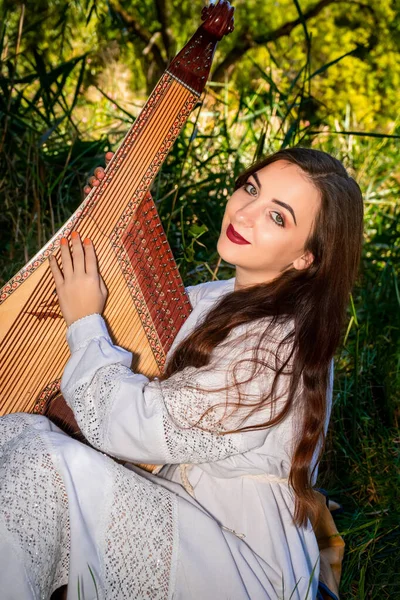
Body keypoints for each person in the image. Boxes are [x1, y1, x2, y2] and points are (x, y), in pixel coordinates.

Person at [0, 147, 364, 600]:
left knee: (42, 459)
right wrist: (112, 226)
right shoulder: (227, 295)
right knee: (15, 432)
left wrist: (84, 326)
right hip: (194, 518)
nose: (246, 213)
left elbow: (139, 421)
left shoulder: (278, 349)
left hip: (240, 563)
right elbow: (147, 336)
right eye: (251, 189)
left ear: (306, 257)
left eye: (278, 218)